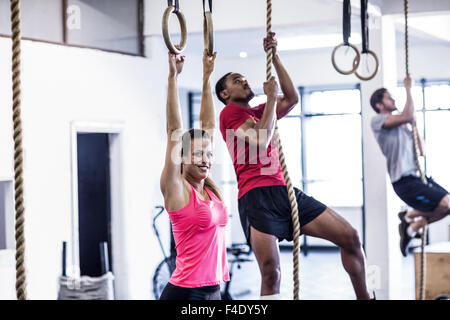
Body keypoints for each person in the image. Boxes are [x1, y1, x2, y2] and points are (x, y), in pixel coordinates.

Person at [216, 32, 372, 300]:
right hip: (257, 196)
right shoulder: (230, 113)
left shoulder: (258, 112)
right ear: (225, 93)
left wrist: (275, 56)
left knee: (350, 237)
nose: (243, 81)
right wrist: (272, 99)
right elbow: (260, 139)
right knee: (271, 272)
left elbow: (292, 97)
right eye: (236, 80)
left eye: (243, 78)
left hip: (283, 191)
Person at [159, 49, 229, 300]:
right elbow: (174, 131)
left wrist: (207, 76)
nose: (206, 160)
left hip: (214, 290)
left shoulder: (208, 188)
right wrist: (173, 78)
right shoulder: (177, 189)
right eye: (198, 154)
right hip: (187, 293)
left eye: (209, 155)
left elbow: (209, 126)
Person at [370, 76, 449, 256]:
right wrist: (408, 89)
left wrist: (414, 126)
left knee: (448, 206)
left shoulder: (404, 128)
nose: (394, 100)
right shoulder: (377, 121)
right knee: (445, 203)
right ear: (379, 105)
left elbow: (422, 151)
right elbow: (407, 115)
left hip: (417, 177)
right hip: (404, 181)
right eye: (389, 98)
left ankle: (410, 224)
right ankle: (410, 220)